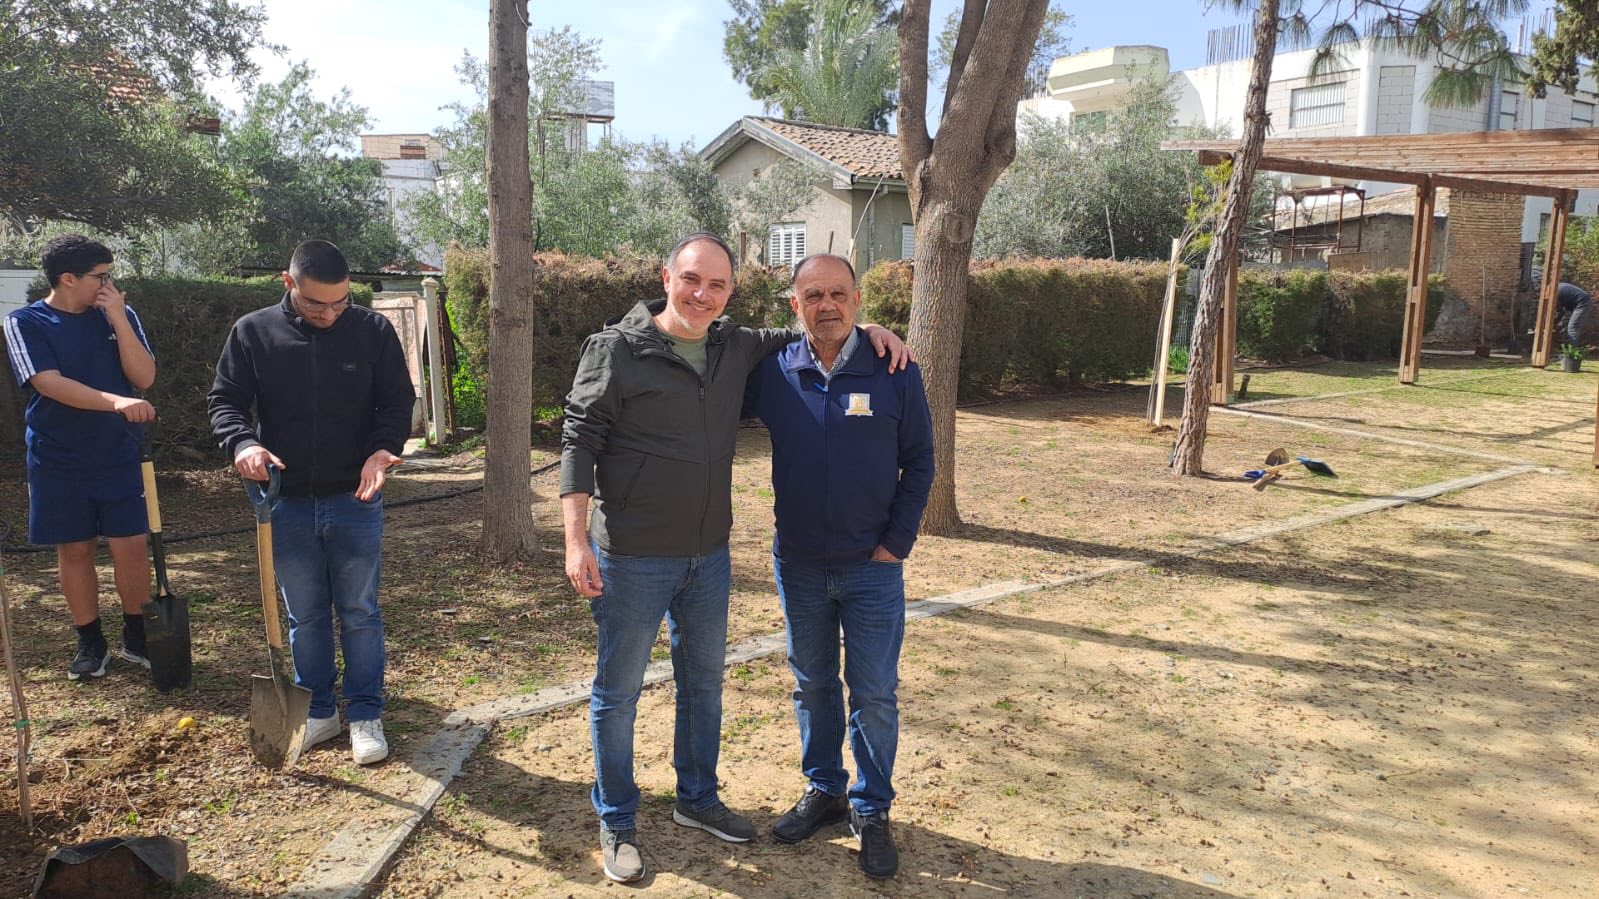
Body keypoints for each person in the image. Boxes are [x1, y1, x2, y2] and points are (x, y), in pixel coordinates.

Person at [560, 232, 908, 884]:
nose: (702, 294)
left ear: (730, 293)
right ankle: (618, 819)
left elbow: (818, 325)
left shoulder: (734, 346)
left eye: (717, 285)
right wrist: (576, 539)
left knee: (703, 686)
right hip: (631, 557)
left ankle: (696, 797)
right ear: (666, 277)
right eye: (692, 279)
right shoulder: (615, 349)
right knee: (618, 694)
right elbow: (579, 440)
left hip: (708, 557)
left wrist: (869, 328)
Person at [743, 254, 933, 880]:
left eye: (838, 294)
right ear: (793, 304)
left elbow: (921, 460)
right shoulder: (773, 369)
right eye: (813, 295)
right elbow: (704, 357)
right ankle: (825, 790)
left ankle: (871, 809)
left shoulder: (894, 367)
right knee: (813, 684)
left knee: (873, 693)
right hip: (798, 564)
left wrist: (896, 543)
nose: (827, 305)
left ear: (857, 299)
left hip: (872, 567)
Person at [208, 239, 414, 766]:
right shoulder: (253, 332)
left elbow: (397, 400)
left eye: (340, 303)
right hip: (285, 501)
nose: (329, 314)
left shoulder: (372, 331)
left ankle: (365, 713)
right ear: (288, 283)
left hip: (355, 497)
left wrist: (382, 451)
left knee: (360, 611)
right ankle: (320, 709)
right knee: (305, 615)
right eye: (316, 304)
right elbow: (225, 401)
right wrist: (243, 443)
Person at [3, 234, 157, 680]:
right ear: (68, 279)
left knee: (132, 545)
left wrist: (119, 319)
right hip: (58, 458)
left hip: (119, 453)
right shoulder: (25, 322)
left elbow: (144, 376)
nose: (110, 285)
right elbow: (47, 383)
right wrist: (116, 402)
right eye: (101, 277)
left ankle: (137, 635)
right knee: (74, 547)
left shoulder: (120, 314)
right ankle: (90, 641)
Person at [1556, 282, 1593, 347]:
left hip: (1583, 303)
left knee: (1572, 327)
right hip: (1579, 303)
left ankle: (1572, 351)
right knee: (1567, 324)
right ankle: (1567, 346)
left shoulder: (1556, 292)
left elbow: (1560, 312)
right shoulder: (1558, 286)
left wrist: (1554, 323)